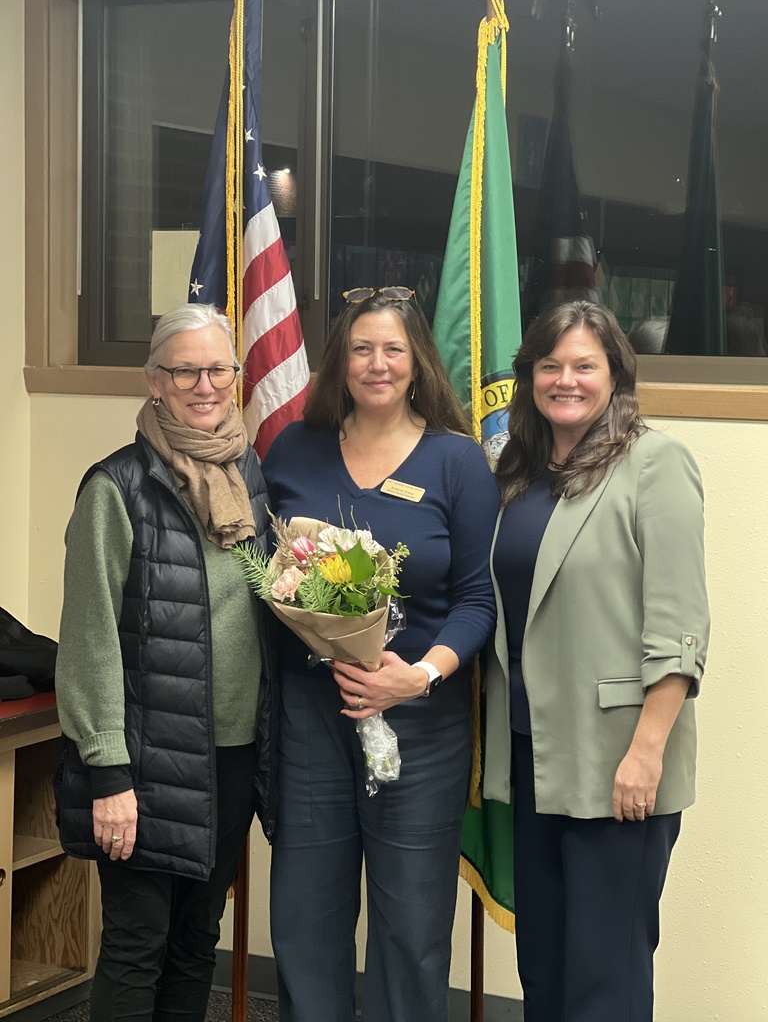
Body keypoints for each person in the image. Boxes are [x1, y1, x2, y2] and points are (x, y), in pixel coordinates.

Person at [260, 285, 499, 1022]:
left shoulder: (457, 462)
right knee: (306, 920)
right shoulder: (294, 447)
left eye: (393, 348)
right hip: (311, 721)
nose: (377, 363)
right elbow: (269, 574)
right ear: (340, 360)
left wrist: (418, 676)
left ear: (417, 360)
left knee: (411, 930)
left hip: (421, 729)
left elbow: (478, 602)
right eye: (362, 348)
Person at [483, 300, 710, 1022]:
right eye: (550, 365)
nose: (566, 380)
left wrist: (647, 753)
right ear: (529, 377)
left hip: (618, 763)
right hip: (532, 753)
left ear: (616, 374)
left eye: (586, 365)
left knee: (603, 979)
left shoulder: (656, 462)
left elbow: (680, 628)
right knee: (543, 966)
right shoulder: (515, 471)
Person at [53, 303, 276, 1022]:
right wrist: (107, 772)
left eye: (219, 369)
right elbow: (88, 640)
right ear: (155, 381)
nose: (204, 385)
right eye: (186, 370)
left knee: (194, 944)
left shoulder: (247, 470)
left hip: (232, 756)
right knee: (137, 945)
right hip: (146, 763)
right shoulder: (115, 488)